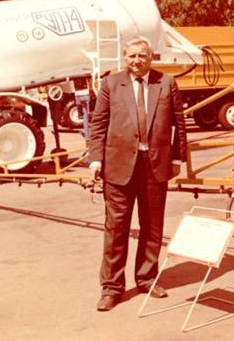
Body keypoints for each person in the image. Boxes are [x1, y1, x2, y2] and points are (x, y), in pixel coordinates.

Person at [88, 36, 187, 312]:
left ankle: (147, 278)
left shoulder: (166, 83)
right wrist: (95, 160)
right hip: (118, 167)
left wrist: (178, 157)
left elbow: (179, 123)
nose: (136, 61)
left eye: (141, 56)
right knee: (116, 228)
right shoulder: (110, 84)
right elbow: (98, 125)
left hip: (154, 165)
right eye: (131, 56)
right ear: (125, 57)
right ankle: (111, 288)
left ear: (151, 56)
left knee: (152, 226)